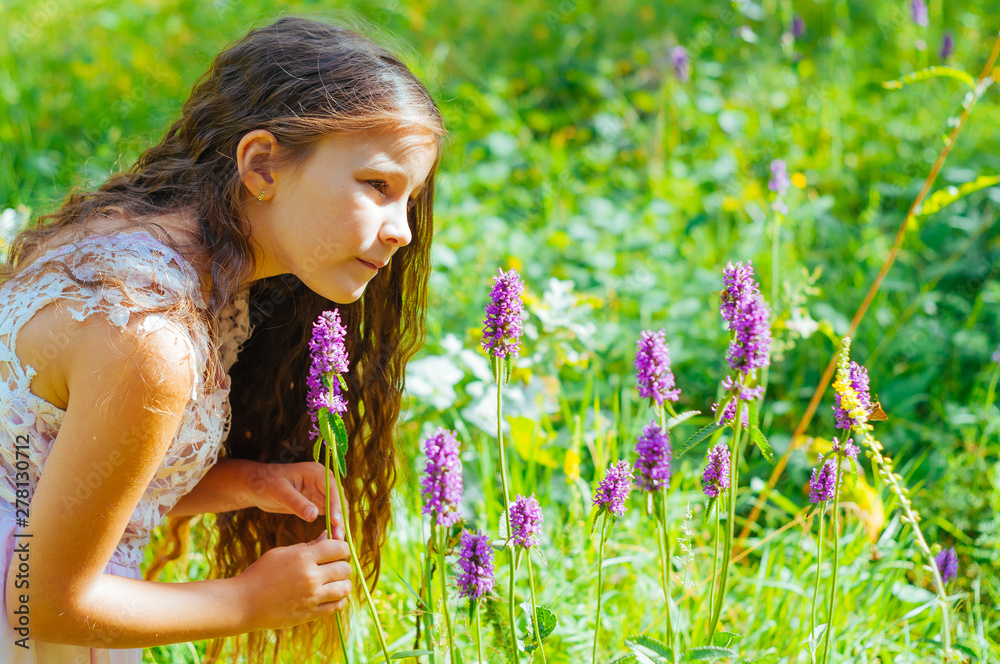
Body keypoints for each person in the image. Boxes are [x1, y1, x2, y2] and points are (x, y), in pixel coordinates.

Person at [0, 15, 444, 663]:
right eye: (377, 185)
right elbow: (38, 597)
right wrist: (247, 602)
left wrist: (243, 482)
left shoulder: (138, 245)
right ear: (262, 165)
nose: (402, 230)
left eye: (409, 200)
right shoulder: (151, 337)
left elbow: (52, 478)